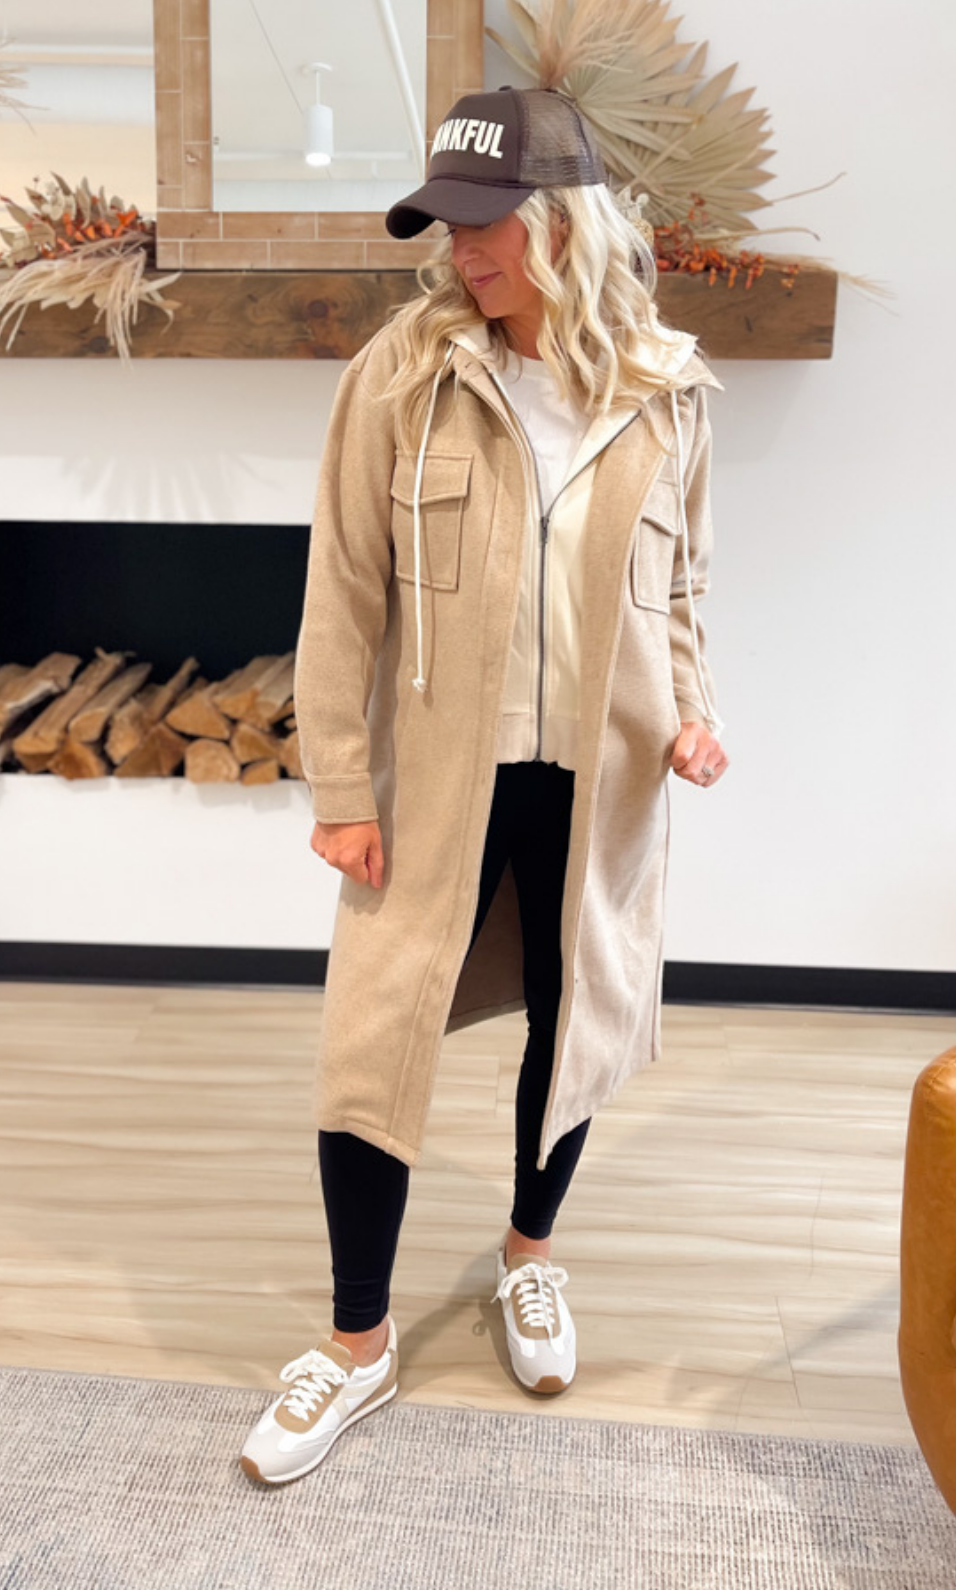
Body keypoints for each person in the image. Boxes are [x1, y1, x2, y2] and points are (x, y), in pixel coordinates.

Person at [240, 83, 730, 1487]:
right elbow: (342, 593)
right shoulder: (403, 375)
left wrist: (693, 712)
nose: (461, 251)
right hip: (439, 777)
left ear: (564, 222)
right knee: (372, 1041)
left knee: (575, 1021)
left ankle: (529, 1254)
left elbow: (681, 585)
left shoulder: (667, 388)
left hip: (600, 776)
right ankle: (357, 1342)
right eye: (446, 225)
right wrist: (341, 783)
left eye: (484, 223)